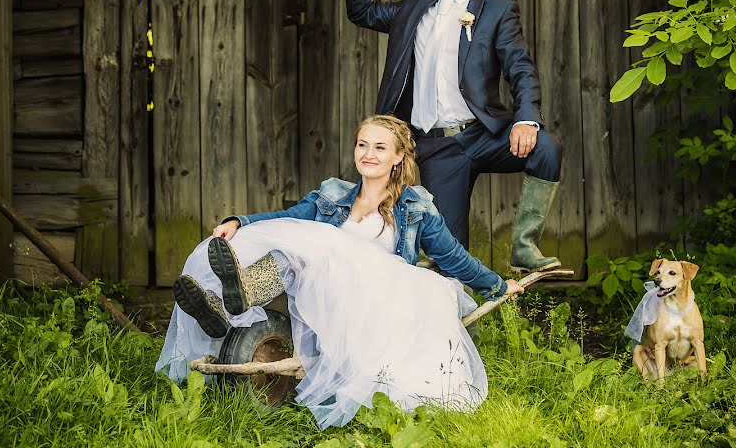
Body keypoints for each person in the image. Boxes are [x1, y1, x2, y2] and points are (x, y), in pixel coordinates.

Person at [156, 114, 523, 429]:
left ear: (398, 157)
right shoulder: (332, 197)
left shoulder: (415, 206)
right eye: (362, 145)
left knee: (313, 247)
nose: (368, 154)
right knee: (294, 245)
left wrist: (495, 284)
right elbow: (288, 218)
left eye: (380, 147)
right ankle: (221, 307)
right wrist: (241, 221)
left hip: (378, 301)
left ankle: (231, 303)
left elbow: (452, 256)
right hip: (328, 298)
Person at [343, 0, 564, 273]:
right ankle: (450, 323)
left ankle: (524, 246)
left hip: (484, 134)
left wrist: (526, 119)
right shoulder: (415, 2)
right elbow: (363, 12)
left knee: (546, 147)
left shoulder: (496, 11)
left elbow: (520, 68)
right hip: (437, 148)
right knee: (448, 256)